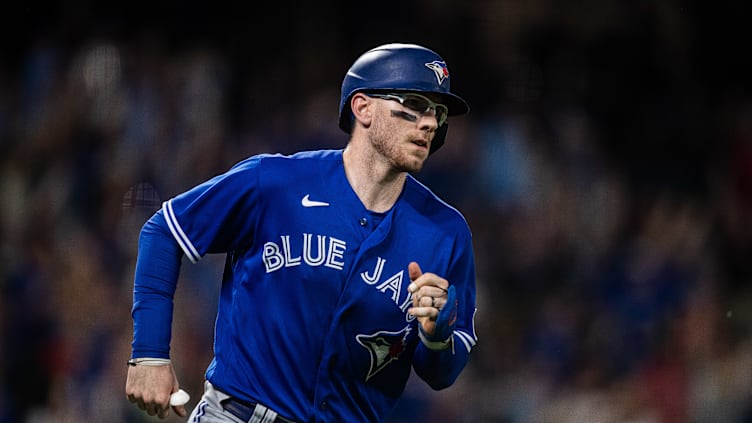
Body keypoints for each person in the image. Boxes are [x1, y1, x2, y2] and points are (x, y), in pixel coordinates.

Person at [125, 42, 478, 423]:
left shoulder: (446, 232)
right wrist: (149, 354)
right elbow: (164, 232)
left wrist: (436, 337)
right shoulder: (276, 183)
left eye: (437, 112)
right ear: (363, 108)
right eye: (414, 104)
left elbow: (441, 373)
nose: (429, 122)